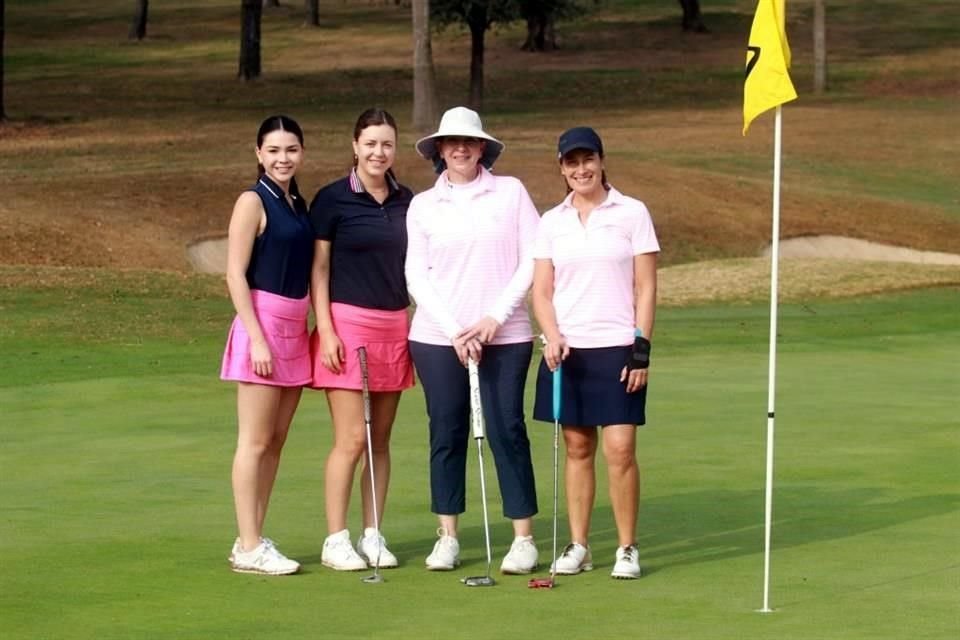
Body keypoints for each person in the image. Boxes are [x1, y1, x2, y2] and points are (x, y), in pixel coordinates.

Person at [405, 106, 541, 575]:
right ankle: (448, 536)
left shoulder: (511, 193)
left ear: (482, 147)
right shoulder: (423, 205)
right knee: (447, 432)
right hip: (437, 338)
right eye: (450, 142)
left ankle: (523, 539)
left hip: (506, 335)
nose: (460, 148)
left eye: (469, 141)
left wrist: (492, 319)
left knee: (507, 428)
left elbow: (532, 259)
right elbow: (415, 276)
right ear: (439, 150)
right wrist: (455, 331)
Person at [531, 126, 659, 580]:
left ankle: (627, 548)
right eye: (571, 162)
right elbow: (542, 293)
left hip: (620, 347)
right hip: (569, 351)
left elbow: (645, 287)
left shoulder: (632, 213)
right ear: (562, 168)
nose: (580, 169)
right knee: (578, 446)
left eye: (588, 160)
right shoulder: (551, 221)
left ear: (602, 161)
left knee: (620, 449)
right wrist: (552, 334)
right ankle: (580, 545)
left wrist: (640, 351)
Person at [309, 108, 415, 571]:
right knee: (352, 438)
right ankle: (336, 539)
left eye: (387, 144)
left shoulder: (406, 199)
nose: (378, 152)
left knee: (381, 440)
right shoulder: (332, 199)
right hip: (347, 325)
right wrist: (326, 328)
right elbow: (319, 269)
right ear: (355, 146)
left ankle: (373, 534)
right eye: (370, 143)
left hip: (395, 324)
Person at [220, 115, 314, 575]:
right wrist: (256, 337)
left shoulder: (297, 202)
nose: (283, 158)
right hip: (263, 328)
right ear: (259, 153)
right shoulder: (252, 201)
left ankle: (251, 537)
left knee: (276, 440)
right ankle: (250, 543)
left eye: (291, 149)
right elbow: (234, 273)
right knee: (255, 441)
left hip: (295, 328)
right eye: (274, 150)